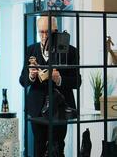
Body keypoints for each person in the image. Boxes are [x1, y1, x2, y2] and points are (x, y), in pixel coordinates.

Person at [19, 17, 81, 157]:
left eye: (48, 32)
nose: (44, 36)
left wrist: (59, 79)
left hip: (60, 108)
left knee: (57, 147)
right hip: (37, 107)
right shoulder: (31, 49)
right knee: (39, 146)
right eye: (41, 32)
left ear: (56, 31)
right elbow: (22, 81)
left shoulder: (70, 51)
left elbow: (77, 82)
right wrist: (31, 76)